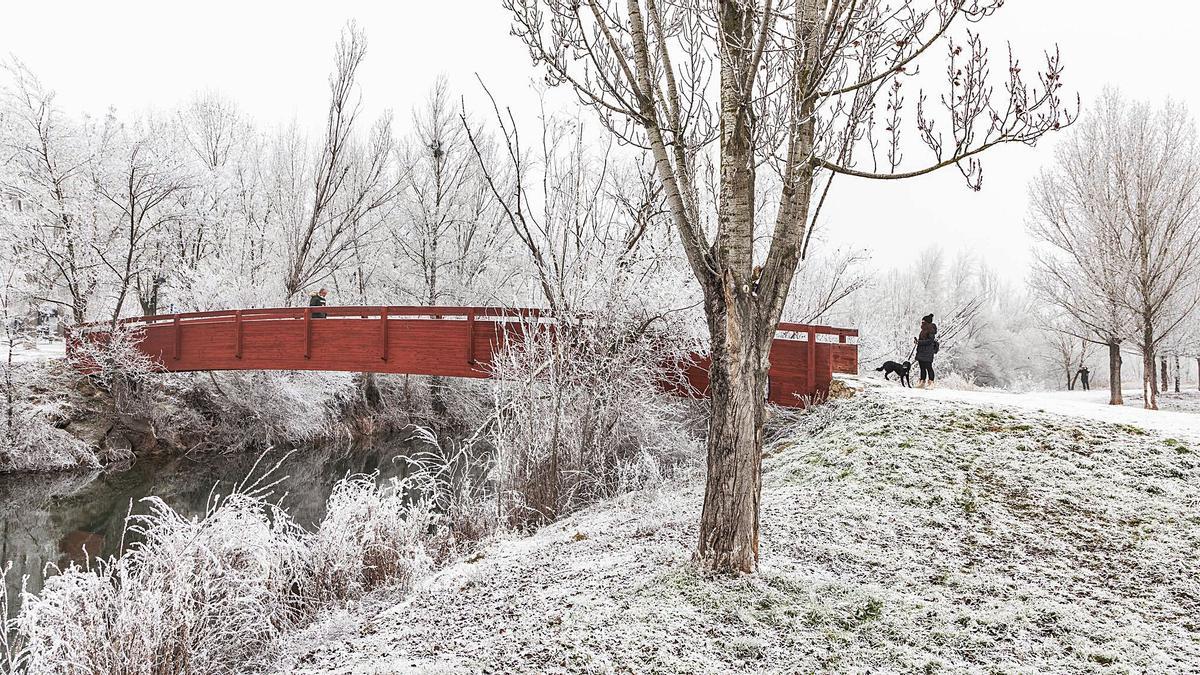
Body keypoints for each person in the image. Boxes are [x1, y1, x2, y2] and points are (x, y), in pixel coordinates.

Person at [914, 313, 938, 389]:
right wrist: (918, 341)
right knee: (922, 367)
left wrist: (919, 342)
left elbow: (930, 341)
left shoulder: (931, 330)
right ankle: (922, 381)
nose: (922, 322)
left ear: (926, 322)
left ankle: (931, 382)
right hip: (921, 351)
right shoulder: (923, 330)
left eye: (923, 321)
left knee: (928, 367)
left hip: (928, 352)